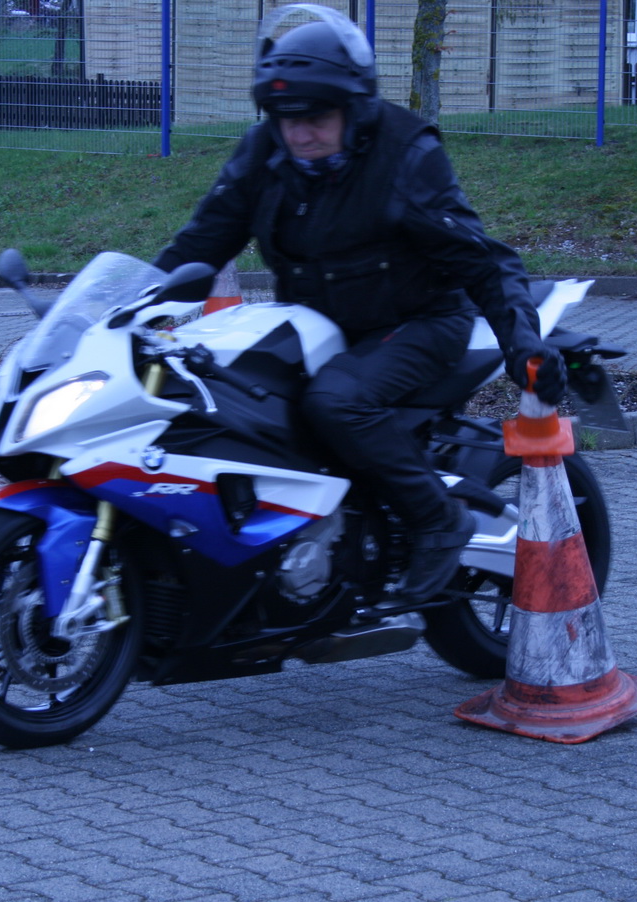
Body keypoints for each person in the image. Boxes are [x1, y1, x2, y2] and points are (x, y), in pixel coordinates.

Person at [153, 5, 565, 604]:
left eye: (316, 116)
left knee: (335, 402)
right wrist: (117, 313)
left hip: (420, 321)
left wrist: (523, 342)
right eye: (285, 117)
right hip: (318, 329)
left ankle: (438, 520)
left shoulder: (403, 155)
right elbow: (197, 246)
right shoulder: (264, 154)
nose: (299, 133)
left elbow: (482, 260)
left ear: (355, 106)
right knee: (226, 396)